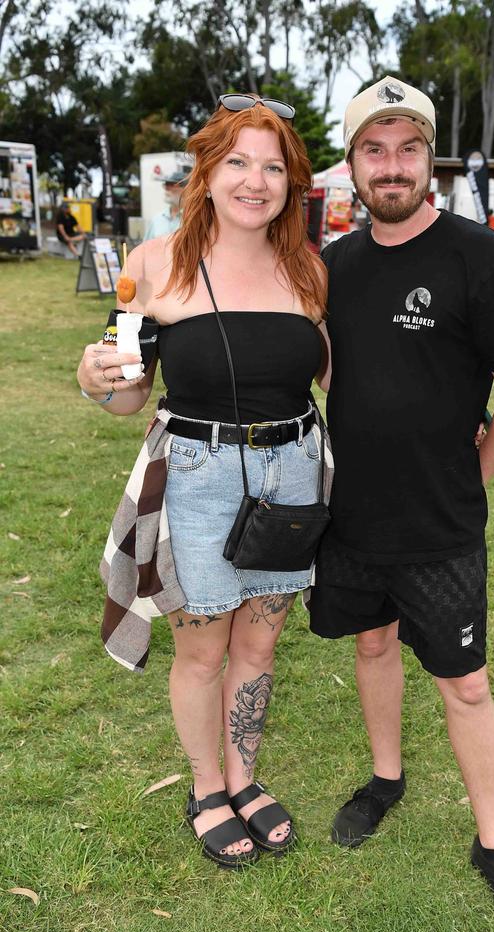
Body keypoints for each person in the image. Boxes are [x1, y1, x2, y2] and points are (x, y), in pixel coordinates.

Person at [308, 76, 494, 932]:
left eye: (409, 147)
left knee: (467, 684)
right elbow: (331, 367)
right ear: (351, 166)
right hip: (352, 517)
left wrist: (467, 475)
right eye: (374, 149)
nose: (392, 165)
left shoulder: (481, 260)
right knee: (371, 643)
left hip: (442, 526)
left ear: (430, 159)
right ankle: (385, 780)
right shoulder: (332, 265)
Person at [77, 95, 327, 869]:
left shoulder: (308, 269)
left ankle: (246, 780)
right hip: (195, 474)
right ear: (208, 172)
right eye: (239, 162)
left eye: (273, 166)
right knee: (203, 651)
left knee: (259, 645)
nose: (256, 181)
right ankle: (207, 786)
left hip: (291, 473)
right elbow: (127, 399)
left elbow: (339, 387)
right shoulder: (157, 262)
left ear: (292, 182)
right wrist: (95, 378)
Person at [143, 167, 191, 240]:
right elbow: (145, 249)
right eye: (165, 184)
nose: (166, 188)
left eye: (171, 185)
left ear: (186, 189)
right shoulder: (156, 220)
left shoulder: (194, 218)